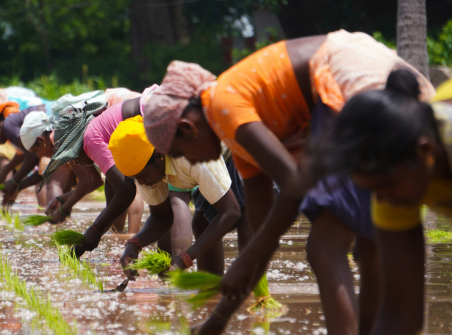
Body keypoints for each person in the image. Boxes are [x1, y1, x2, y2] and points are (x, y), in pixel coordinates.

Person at [141, 30, 434, 334]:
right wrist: (218, 320)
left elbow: (294, 185)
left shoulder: (223, 106)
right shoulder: (238, 139)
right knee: (365, 245)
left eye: (179, 153)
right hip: (357, 70)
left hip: (345, 75)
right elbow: (262, 230)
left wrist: (250, 256)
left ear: (189, 128)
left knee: (325, 245)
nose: (189, 162)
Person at [307, 69, 451, 335]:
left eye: (385, 186)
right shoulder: (392, 187)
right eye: (372, 191)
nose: (382, 200)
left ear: (425, 151)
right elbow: (401, 316)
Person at [109, 116, 249, 278]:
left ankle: (252, 290)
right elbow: (161, 217)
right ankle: (211, 289)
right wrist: (133, 245)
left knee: (248, 221)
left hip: (241, 145)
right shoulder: (146, 166)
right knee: (202, 222)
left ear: (159, 156)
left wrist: (186, 258)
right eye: (136, 178)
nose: (142, 183)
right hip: (216, 154)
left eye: (144, 176)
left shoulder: (192, 153)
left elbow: (231, 212)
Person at [41, 86, 161, 258]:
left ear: (77, 144)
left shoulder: (90, 139)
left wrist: (95, 230)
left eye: (72, 156)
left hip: (156, 112)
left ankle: (172, 268)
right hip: (154, 107)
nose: (75, 162)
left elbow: (126, 190)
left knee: (171, 204)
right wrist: (85, 243)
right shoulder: (99, 132)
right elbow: (113, 194)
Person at [20, 111, 104, 223]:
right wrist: (61, 199)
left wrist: (62, 209)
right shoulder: (62, 138)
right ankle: (120, 234)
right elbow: (96, 182)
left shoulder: (63, 141)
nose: (39, 155)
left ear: (41, 141)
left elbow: (86, 182)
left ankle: (127, 235)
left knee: (117, 190)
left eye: (36, 151)